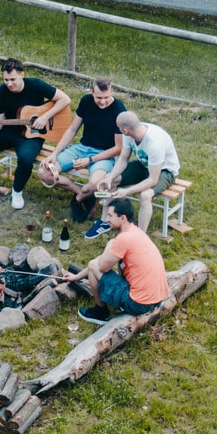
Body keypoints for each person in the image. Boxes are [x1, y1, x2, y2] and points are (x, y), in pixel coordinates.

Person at [0, 58, 71, 211]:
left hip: (32, 135)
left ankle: (17, 191)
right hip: (7, 132)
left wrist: (44, 117)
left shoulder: (36, 85)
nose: (9, 84)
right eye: (6, 80)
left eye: (13, 79)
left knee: (25, 158)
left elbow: (65, 99)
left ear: (22, 74)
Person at [62, 197, 169, 325]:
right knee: (96, 264)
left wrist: (110, 244)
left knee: (94, 265)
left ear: (122, 218)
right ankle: (111, 303)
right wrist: (76, 277)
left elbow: (100, 267)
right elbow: (101, 261)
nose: (107, 219)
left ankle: (100, 312)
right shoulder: (136, 232)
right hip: (157, 298)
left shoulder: (123, 239)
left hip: (139, 304)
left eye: (110, 215)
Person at [36, 78, 126, 222]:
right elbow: (72, 130)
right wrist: (54, 153)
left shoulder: (119, 110)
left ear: (111, 92)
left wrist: (89, 160)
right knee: (44, 173)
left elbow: (118, 148)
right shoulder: (86, 101)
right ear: (92, 93)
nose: (102, 102)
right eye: (98, 98)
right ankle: (85, 194)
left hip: (104, 155)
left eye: (106, 97)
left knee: (97, 183)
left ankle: (78, 200)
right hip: (81, 148)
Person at [85, 111, 180, 239]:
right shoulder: (129, 133)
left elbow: (152, 179)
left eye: (119, 128)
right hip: (144, 164)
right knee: (111, 181)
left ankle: (140, 236)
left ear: (124, 129)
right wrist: (109, 177)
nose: (118, 130)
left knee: (145, 195)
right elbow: (123, 158)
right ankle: (105, 221)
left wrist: (126, 191)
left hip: (165, 170)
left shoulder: (154, 143)